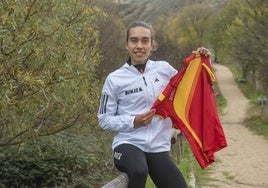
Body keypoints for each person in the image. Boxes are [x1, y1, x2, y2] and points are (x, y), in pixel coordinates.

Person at [98, 21, 210, 188]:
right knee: (138, 171)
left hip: (157, 148)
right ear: (126, 45)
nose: (139, 46)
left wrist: (200, 62)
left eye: (145, 41)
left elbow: (188, 89)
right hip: (128, 144)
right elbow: (104, 119)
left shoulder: (164, 70)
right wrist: (133, 121)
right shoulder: (115, 79)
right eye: (134, 40)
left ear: (152, 45)